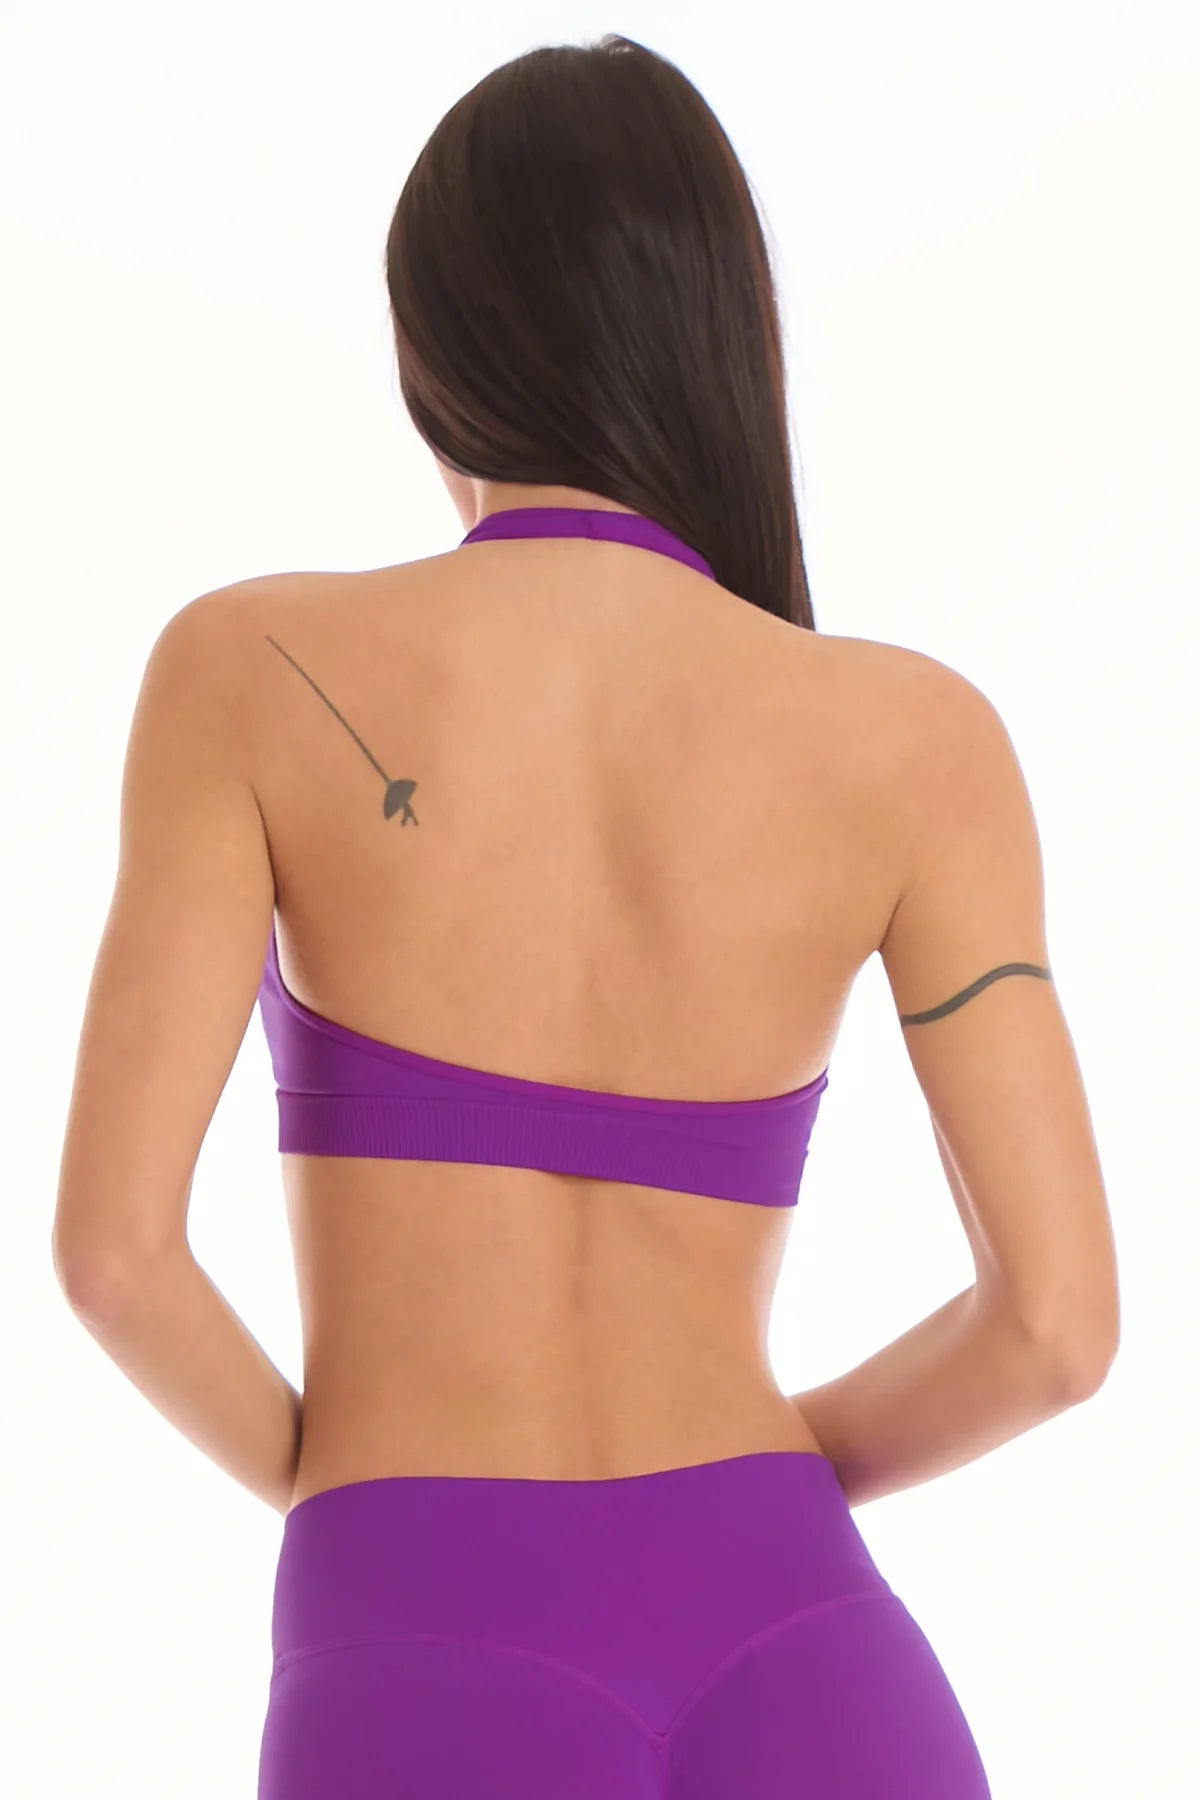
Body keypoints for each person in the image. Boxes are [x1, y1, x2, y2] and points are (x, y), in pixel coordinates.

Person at [52, 31, 1120, 1800]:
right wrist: (754, 1485)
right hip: (801, 1636)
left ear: (431, 357)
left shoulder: (250, 670)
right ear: (717, 343)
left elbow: (114, 1259)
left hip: (416, 1613)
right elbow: (1058, 1334)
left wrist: (354, 1500)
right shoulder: (920, 740)